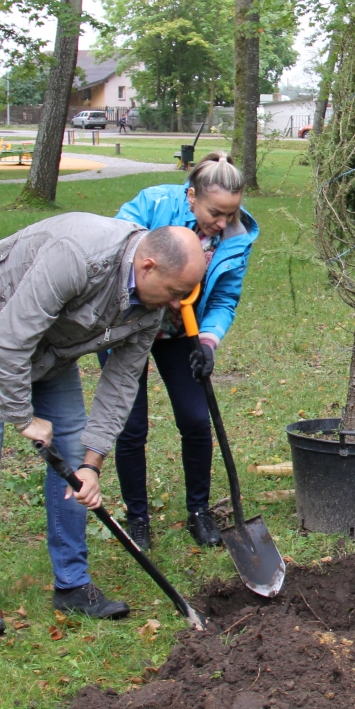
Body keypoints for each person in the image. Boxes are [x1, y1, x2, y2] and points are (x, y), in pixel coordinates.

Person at [0, 213, 206, 635]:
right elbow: (9, 339)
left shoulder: (152, 308)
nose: (178, 305)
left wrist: (91, 464)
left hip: (52, 342)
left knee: (68, 445)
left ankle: (73, 586)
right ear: (148, 266)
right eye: (175, 292)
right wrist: (22, 417)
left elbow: (120, 386)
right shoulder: (79, 256)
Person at [113, 153, 258, 550]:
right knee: (131, 425)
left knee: (196, 420)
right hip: (126, 330)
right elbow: (116, 254)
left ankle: (199, 511)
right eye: (216, 212)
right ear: (191, 195)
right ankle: (137, 518)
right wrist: (159, 294)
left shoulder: (236, 237)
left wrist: (208, 342)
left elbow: (225, 298)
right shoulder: (154, 204)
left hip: (181, 335)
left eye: (231, 213)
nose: (223, 222)